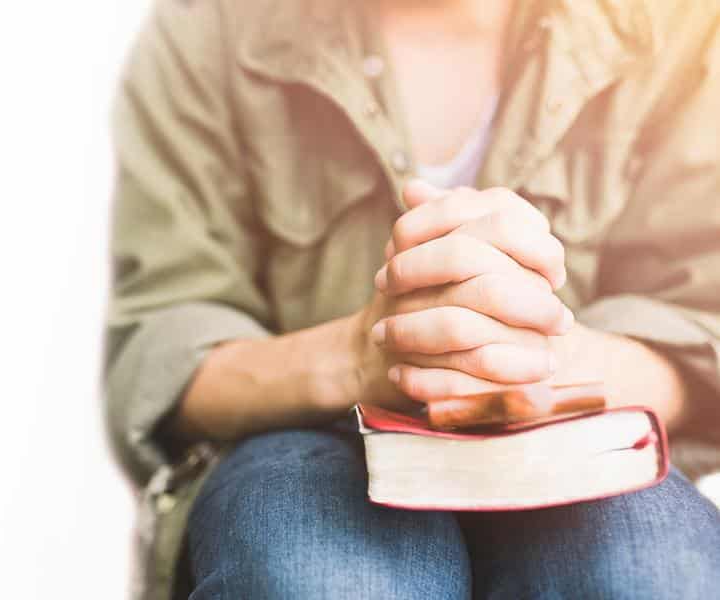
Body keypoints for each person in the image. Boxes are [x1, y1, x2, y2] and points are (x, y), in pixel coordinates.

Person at [104, 1, 720, 598]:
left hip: (581, 441)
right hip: (307, 436)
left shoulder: (680, 29)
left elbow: (704, 326)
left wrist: (534, 361)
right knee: (313, 574)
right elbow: (162, 350)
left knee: (649, 572)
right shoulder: (212, 26)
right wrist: (361, 357)